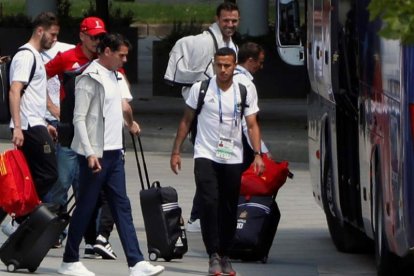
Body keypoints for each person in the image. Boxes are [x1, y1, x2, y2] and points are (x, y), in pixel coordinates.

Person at [57, 33, 165, 276]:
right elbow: (79, 118)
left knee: (122, 206)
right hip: (96, 154)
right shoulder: (89, 78)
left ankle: (136, 263)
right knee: (85, 206)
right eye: (122, 54)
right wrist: (89, 153)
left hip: (115, 153)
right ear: (106, 51)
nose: (125, 59)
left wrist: (130, 123)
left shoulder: (116, 76)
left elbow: (123, 106)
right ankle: (69, 260)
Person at [170, 47, 265, 276]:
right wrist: (176, 151)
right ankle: (213, 254)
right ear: (214, 65)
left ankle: (225, 254)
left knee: (229, 207)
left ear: (234, 66)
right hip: (206, 154)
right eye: (219, 65)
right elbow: (186, 120)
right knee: (209, 202)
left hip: (232, 156)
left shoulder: (245, 90)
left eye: (227, 65)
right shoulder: (200, 89)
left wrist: (258, 153)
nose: (222, 70)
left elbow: (252, 124)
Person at [45, 16, 117, 259]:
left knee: (90, 187)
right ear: (82, 36)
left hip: (96, 133)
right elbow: (37, 79)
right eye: (94, 36)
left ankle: (92, 238)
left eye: (101, 36)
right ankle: (52, 231)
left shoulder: (106, 58)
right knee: (62, 182)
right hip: (69, 130)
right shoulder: (66, 58)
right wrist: (50, 107)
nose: (98, 41)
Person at [181, 2, 241, 233]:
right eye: (226, 20)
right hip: (205, 115)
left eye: (234, 20)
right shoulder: (207, 43)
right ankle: (198, 215)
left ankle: (204, 213)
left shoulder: (230, 43)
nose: (230, 24)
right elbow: (195, 80)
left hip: (223, 121)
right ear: (217, 19)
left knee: (218, 164)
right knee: (207, 166)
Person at [3, 11, 59, 235]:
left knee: (24, 177)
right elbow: (15, 91)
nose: (54, 40)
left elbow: (32, 96)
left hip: (35, 123)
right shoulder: (25, 56)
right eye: (52, 35)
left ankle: (16, 215)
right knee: (49, 173)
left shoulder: (36, 56)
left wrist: (45, 122)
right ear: (40, 30)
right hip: (27, 126)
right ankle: (20, 219)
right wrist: (17, 126)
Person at [233, 41, 271, 170]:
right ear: (250, 60)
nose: (260, 66)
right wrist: (260, 152)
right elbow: (248, 124)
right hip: (241, 144)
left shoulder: (223, 79)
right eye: (259, 62)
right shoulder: (247, 84)